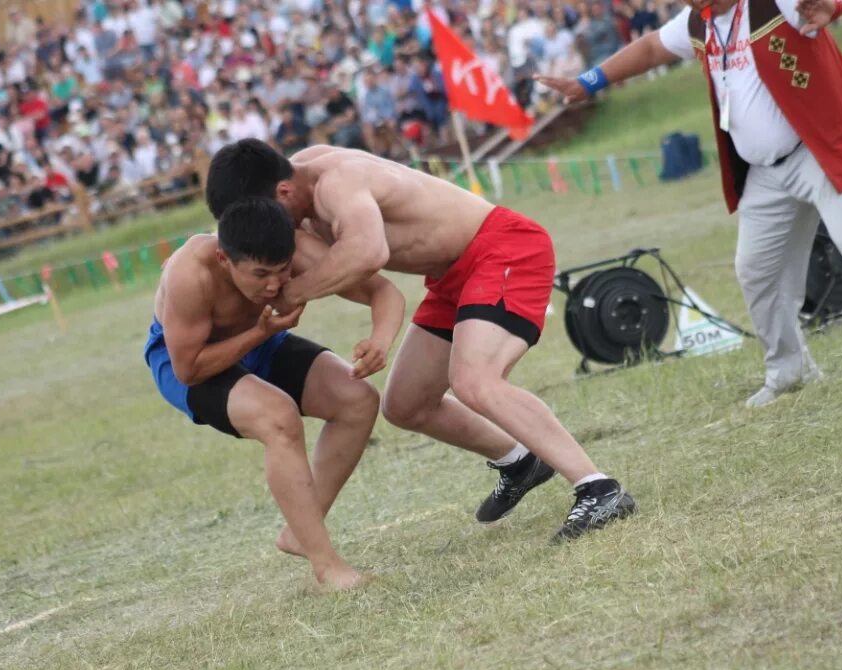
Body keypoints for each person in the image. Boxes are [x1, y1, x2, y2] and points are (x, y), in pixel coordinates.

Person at [206, 140, 637, 542]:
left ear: (282, 191)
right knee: (406, 404)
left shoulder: (337, 182)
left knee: (475, 381)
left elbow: (367, 251)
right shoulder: (300, 185)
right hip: (454, 276)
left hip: (502, 250)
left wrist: (292, 294)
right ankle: (520, 461)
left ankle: (599, 489)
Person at [536, 0, 842, 407]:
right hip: (766, 175)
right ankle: (789, 370)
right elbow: (649, 48)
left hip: (821, 152)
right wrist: (588, 82)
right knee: (756, 271)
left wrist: (835, 7)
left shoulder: (775, 3)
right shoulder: (699, 23)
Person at [144, 197, 405, 590]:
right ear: (223, 259)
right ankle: (327, 567)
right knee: (277, 417)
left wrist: (380, 340)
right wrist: (258, 333)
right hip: (188, 362)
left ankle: (301, 532)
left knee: (358, 399)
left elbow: (382, 291)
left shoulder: (294, 252)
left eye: (281, 272)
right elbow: (189, 368)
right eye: (260, 273)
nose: (272, 285)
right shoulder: (189, 273)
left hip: (260, 342)